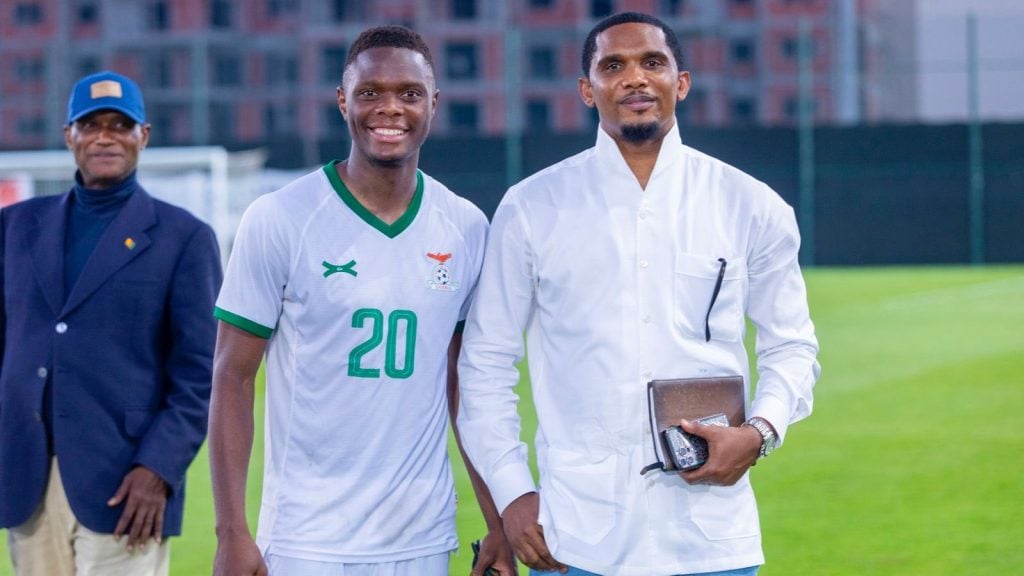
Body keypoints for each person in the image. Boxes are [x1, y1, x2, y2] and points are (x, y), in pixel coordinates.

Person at [457, 11, 821, 576]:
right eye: (612, 65)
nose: (634, 78)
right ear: (587, 89)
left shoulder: (750, 204)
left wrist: (760, 432)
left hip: (711, 536)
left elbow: (793, 346)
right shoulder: (533, 207)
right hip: (574, 535)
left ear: (681, 83)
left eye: (652, 62)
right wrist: (512, 494)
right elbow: (484, 364)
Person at [209, 25, 514, 576]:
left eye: (409, 93)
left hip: (421, 535)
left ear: (433, 105)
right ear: (343, 100)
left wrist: (495, 521)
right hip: (307, 539)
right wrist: (232, 532)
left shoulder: (466, 226)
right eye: (371, 92)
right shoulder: (279, 218)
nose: (390, 108)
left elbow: (465, 385)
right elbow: (232, 377)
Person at [0, 70, 223, 575]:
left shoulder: (183, 237)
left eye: (121, 125)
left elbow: (200, 373)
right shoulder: (15, 227)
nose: (105, 136)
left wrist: (159, 469)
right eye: (91, 124)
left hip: (127, 483)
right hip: (28, 482)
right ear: (68, 135)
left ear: (143, 135)